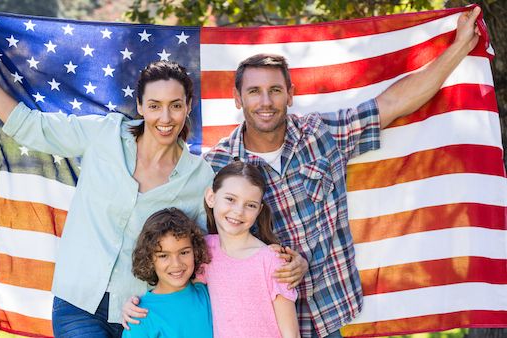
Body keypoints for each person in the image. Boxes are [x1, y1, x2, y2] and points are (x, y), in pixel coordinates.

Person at [202, 7, 482, 338]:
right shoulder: (217, 166)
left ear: (290, 95)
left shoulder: (321, 135)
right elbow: (189, 242)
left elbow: (394, 104)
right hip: (262, 325)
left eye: (275, 90)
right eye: (253, 91)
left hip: (329, 313)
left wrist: (461, 46)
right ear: (237, 98)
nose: (266, 101)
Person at [0, 13, 214, 337]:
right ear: (140, 107)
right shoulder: (104, 134)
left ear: (188, 106)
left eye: (175, 105)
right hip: (78, 304)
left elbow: (210, 251)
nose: (165, 117)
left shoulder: (199, 176)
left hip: (144, 314)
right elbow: (28, 126)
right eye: (155, 105)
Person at [125, 161, 300, 337]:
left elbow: (290, 334)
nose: (238, 211)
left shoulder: (271, 259)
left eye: (250, 205)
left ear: (259, 210)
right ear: (211, 197)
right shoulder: (207, 249)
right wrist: (136, 305)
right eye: (230, 199)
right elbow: (176, 286)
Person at [122, 208, 213, 338]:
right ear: (149, 258)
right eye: (164, 255)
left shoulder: (207, 294)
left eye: (184, 252)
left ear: (195, 251)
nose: (176, 264)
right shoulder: (140, 315)